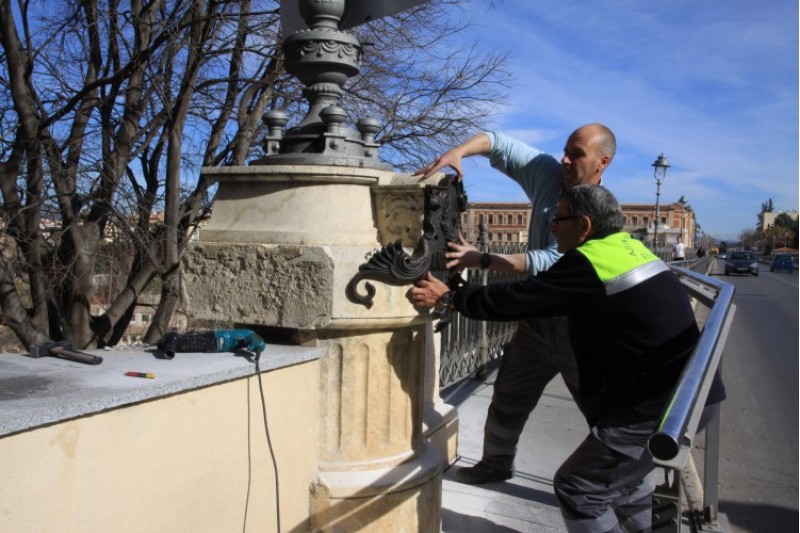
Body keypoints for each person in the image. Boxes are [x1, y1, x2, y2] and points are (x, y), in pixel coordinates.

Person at [409, 184, 725, 532]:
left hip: (658, 408)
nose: (554, 227)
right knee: (624, 483)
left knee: (580, 489)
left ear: (585, 225)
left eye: (559, 219)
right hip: (691, 393)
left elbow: (521, 298)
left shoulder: (590, 261)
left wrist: (452, 296)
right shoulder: (628, 247)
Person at [414, 124, 616, 484]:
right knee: (508, 395)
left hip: (578, 327)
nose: (566, 160)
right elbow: (499, 143)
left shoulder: (600, 213)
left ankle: (617, 483)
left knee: (601, 412)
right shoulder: (549, 175)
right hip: (537, 320)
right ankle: (495, 463)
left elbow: (551, 262)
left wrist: (484, 259)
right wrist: (459, 152)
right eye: (566, 150)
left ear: (603, 162)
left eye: (577, 154)